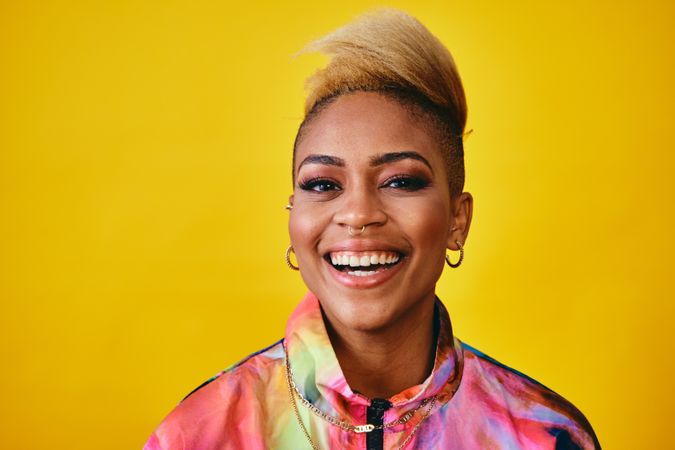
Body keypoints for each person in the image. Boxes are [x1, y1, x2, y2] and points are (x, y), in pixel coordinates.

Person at [144, 8, 600, 450]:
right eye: (323, 184)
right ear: (293, 218)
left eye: (400, 181)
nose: (359, 213)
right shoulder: (198, 435)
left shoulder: (546, 436)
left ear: (457, 221)